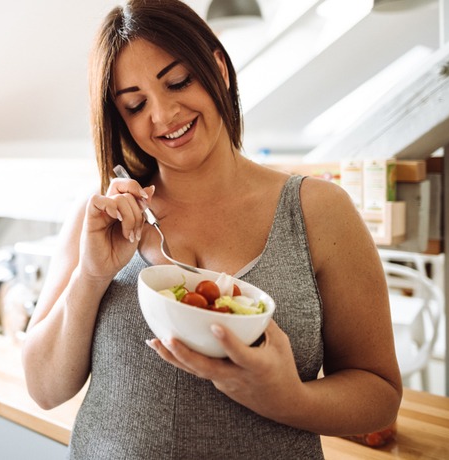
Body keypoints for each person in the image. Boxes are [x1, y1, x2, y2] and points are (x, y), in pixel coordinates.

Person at [21, 0, 402, 458]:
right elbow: (44, 389)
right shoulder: (101, 218)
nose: (162, 116)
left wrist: (289, 400)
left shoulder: (319, 211)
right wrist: (91, 276)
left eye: (178, 81)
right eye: (136, 104)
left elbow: (379, 396)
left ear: (218, 67)